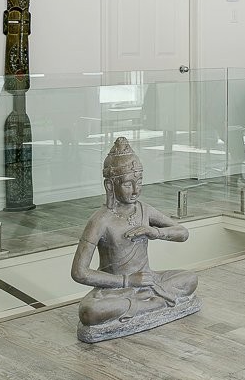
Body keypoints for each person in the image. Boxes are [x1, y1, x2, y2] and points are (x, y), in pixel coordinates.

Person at [70, 136, 199, 341]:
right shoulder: (100, 220)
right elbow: (79, 272)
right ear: (111, 186)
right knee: (89, 311)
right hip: (114, 290)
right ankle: (156, 302)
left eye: (139, 182)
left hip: (149, 281)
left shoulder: (143, 210)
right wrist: (127, 280)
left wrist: (154, 232)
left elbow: (182, 233)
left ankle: (146, 302)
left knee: (190, 278)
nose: (136, 190)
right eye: (128, 184)